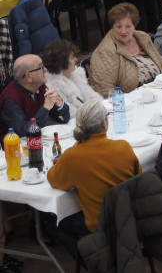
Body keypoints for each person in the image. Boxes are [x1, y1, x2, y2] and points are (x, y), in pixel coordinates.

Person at [45, 100, 140, 256]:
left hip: (98, 222)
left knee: (52, 224)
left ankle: (92, 258)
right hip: (129, 216)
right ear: (104, 123)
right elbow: (139, 178)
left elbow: (53, 180)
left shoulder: (72, 156)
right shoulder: (124, 147)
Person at [90, 2, 162, 97]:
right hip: (132, 103)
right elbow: (105, 90)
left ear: (134, 26)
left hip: (159, 93)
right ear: (112, 26)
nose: (123, 31)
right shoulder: (105, 52)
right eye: (118, 26)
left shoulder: (143, 38)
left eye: (128, 26)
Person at [0, 54, 70, 135]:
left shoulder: (40, 87)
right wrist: (46, 107)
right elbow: (24, 132)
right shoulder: (10, 99)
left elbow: (64, 119)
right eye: (40, 67)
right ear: (28, 76)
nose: (45, 69)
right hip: (14, 145)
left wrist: (60, 105)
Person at [40, 39, 101, 115]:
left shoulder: (76, 74)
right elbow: (71, 114)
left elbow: (93, 98)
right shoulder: (52, 87)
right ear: (61, 65)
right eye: (72, 58)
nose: (76, 59)